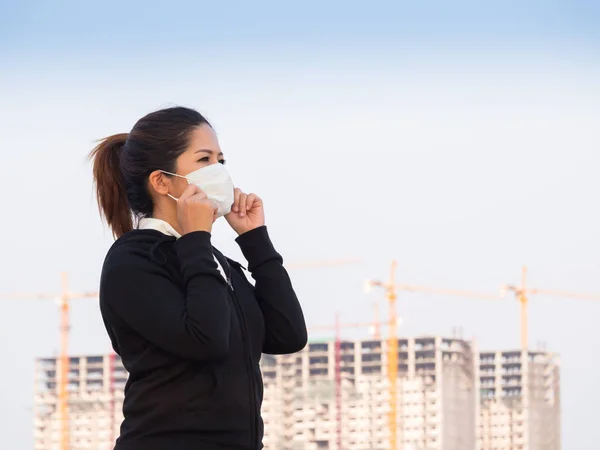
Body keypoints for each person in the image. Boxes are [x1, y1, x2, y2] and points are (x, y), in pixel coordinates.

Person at [89, 106, 308, 450]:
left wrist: (255, 241)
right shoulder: (133, 260)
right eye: (204, 160)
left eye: (221, 160)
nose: (219, 171)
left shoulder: (212, 262)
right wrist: (195, 239)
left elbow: (288, 335)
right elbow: (205, 339)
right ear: (162, 181)